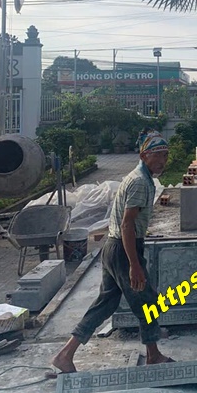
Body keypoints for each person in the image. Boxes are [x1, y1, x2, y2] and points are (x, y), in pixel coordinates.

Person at [51, 132, 173, 373]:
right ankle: (153, 355)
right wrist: (134, 265)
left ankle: (65, 355)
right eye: (157, 155)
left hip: (113, 246)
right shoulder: (140, 182)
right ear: (144, 156)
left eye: (165, 156)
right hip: (123, 249)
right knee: (147, 302)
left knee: (105, 304)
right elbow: (127, 225)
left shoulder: (139, 177)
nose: (162, 161)